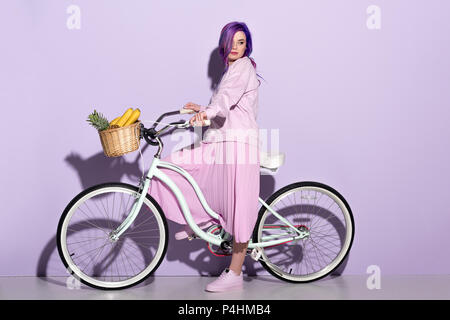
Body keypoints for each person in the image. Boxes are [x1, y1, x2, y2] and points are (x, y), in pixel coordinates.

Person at [147, 21, 262, 293]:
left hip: (239, 144)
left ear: (247, 47)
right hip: (223, 140)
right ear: (224, 43)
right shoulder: (232, 70)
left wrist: (208, 113)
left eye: (241, 42)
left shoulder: (244, 67)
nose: (236, 47)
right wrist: (202, 109)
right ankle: (198, 219)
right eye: (232, 41)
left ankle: (235, 273)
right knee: (178, 165)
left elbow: (225, 100)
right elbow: (227, 101)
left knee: (239, 208)